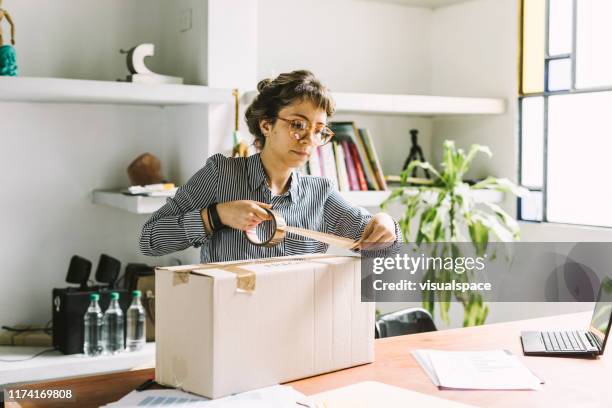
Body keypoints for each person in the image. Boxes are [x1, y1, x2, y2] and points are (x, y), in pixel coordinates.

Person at [139, 70, 401, 263]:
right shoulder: (220, 175)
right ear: (267, 125)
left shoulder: (321, 194)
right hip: (229, 327)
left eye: (319, 131)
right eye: (298, 125)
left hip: (295, 331)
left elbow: (379, 245)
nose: (309, 139)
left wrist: (385, 223)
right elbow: (149, 240)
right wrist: (216, 216)